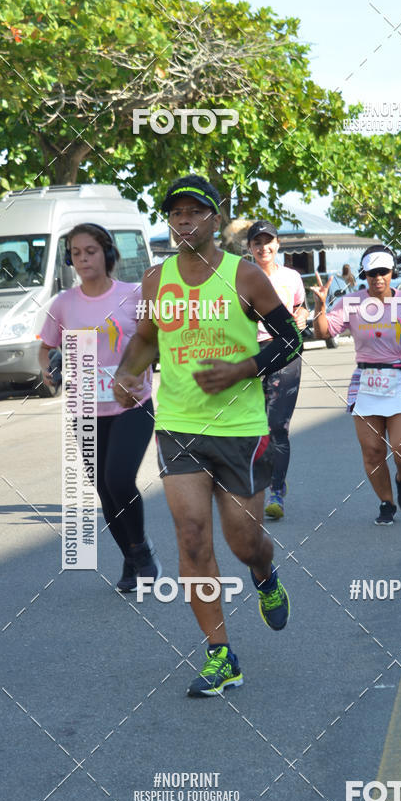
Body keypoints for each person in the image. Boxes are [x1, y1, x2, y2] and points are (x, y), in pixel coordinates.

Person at [113, 174, 302, 697]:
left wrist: (242, 369)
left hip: (241, 428)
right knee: (193, 538)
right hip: (178, 426)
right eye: (176, 213)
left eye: (194, 212)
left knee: (244, 543)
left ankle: (265, 574)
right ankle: (221, 654)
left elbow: (291, 340)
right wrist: (128, 372)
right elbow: (146, 338)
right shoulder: (156, 280)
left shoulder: (245, 276)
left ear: (215, 219)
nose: (184, 221)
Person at [39, 223, 161, 592]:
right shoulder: (63, 303)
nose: (83, 259)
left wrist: (138, 371)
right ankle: (132, 557)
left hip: (132, 404)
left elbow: (154, 339)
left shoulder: (134, 295)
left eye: (90, 251)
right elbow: (46, 347)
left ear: (107, 253)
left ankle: (142, 553)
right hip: (86, 410)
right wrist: (47, 369)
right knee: (105, 492)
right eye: (76, 253)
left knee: (118, 479)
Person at [311, 244, 401, 524]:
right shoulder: (351, 303)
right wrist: (319, 306)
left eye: (383, 271)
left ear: (392, 272)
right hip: (366, 380)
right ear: (364, 275)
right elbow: (323, 332)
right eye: (372, 273)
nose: (378, 278)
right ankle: (386, 502)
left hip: (400, 377)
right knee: (373, 451)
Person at [247, 220, 308, 520]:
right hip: (250, 353)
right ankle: (255, 485)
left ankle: (276, 492)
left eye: (268, 241)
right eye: (257, 243)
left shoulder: (291, 277)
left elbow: (301, 307)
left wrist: (304, 316)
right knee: (252, 427)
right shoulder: (240, 277)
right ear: (249, 248)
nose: (263, 248)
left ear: (278, 244)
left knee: (277, 426)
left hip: (284, 352)